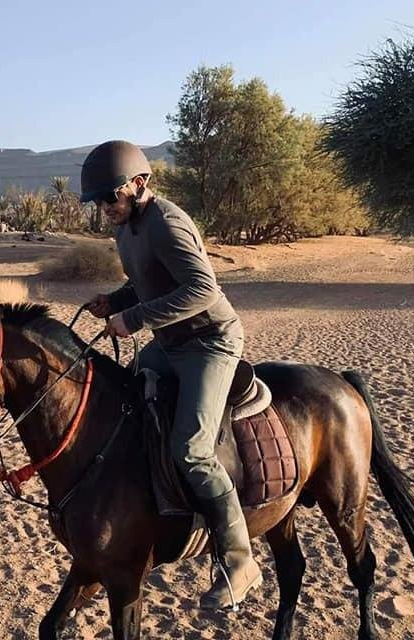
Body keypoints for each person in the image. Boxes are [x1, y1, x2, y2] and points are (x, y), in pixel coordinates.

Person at [81, 140, 260, 609]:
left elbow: (203, 288)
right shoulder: (126, 226)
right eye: (98, 202)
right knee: (124, 402)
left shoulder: (167, 222)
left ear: (138, 185)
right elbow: (146, 278)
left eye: (109, 198)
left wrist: (135, 318)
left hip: (209, 343)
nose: (104, 209)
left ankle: (240, 560)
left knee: (192, 448)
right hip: (170, 343)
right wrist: (116, 302)